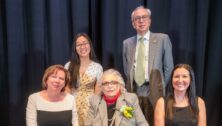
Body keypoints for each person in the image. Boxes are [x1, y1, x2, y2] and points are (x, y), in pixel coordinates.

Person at [122, 6, 174, 125]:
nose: (141, 21)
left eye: (144, 17)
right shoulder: (126, 43)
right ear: (133, 23)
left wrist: (160, 86)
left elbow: (169, 68)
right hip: (134, 90)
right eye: (137, 18)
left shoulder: (162, 39)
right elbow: (126, 69)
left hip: (155, 90)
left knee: (155, 122)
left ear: (150, 20)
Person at [65, 33, 103, 126]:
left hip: (89, 107)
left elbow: (98, 91)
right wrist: (70, 105)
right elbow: (67, 88)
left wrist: (92, 108)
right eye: (79, 44)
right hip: (72, 105)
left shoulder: (98, 67)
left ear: (90, 45)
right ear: (75, 48)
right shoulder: (68, 65)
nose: (82, 47)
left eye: (85, 43)